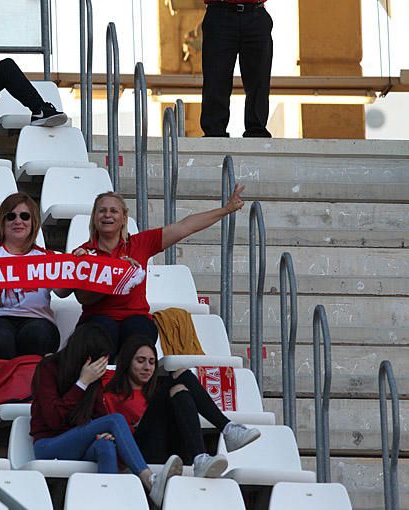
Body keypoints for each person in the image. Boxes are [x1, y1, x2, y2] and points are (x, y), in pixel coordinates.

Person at [70, 187, 245, 359]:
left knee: (138, 331)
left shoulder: (140, 243)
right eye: (102, 211)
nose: (107, 215)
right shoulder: (82, 253)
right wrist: (116, 277)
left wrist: (226, 209)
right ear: (94, 218)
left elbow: (185, 227)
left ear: (124, 219)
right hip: (97, 319)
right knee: (102, 329)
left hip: (135, 318)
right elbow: (82, 299)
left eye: (113, 211)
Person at [30, 323, 182, 508]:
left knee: (106, 445)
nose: (102, 365)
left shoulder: (92, 377)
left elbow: (96, 415)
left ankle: (107, 504)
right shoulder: (49, 368)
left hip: (80, 443)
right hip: (49, 445)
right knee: (115, 419)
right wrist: (82, 383)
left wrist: (101, 432)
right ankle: (149, 480)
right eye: (100, 359)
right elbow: (54, 419)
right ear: (87, 355)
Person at [104, 336, 261, 477]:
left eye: (152, 362)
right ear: (127, 362)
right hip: (141, 453)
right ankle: (227, 428)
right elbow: (109, 427)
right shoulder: (112, 395)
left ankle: (200, 458)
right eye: (140, 361)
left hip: (174, 452)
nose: (147, 367)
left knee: (181, 392)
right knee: (182, 375)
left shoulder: (156, 394)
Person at [0, 193, 60, 360]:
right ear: (2, 222)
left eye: (25, 216)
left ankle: (30, 386)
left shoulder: (47, 258)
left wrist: (78, 263)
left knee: (36, 335)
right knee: (1, 337)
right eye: (11, 216)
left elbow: (63, 291)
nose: (18, 221)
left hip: (38, 320)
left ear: (33, 222)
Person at [200, 0, 273, 138]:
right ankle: (214, 132)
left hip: (256, 12)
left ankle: (256, 131)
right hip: (220, 12)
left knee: (259, 79)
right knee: (216, 78)